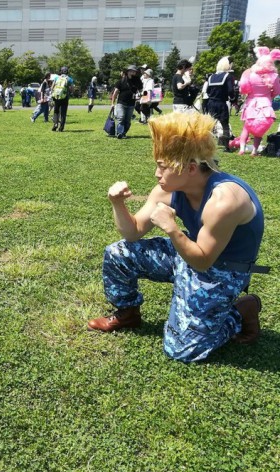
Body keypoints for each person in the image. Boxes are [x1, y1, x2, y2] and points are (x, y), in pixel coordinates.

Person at [88, 112, 266, 363]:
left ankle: (241, 311)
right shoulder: (168, 189)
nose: (156, 174)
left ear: (190, 168)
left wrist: (172, 229)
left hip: (222, 269)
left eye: (162, 166)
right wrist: (117, 204)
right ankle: (128, 314)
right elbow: (132, 232)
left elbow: (203, 262)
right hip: (190, 252)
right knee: (119, 253)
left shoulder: (224, 200)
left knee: (183, 350)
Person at [237, 47, 280, 156]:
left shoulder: (250, 74)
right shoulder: (274, 76)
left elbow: (244, 89)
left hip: (251, 102)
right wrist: (270, 94)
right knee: (259, 129)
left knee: (246, 127)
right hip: (265, 104)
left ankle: (242, 148)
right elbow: (277, 91)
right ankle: (254, 150)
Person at [206, 56, 235, 152]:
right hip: (221, 103)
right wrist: (233, 99)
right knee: (224, 124)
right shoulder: (227, 76)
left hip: (211, 103)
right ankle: (226, 146)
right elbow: (231, 90)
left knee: (210, 124)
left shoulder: (211, 77)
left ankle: (205, 144)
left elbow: (207, 90)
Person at [110, 65, 142, 139]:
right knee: (121, 117)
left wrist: (140, 95)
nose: (133, 72)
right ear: (127, 72)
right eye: (131, 71)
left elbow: (141, 91)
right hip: (121, 103)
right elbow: (115, 92)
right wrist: (112, 103)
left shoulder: (137, 81)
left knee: (127, 121)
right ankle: (119, 133)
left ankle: (123, 133)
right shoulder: (121, 81)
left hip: (131, 104)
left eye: (134, 71)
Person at [50, 66, 74, 132]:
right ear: (67, 71)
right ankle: (61, 127)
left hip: (57, 97)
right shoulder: (69, 79)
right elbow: (72, 89)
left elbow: (52, 87)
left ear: (61, 71)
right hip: (65, 97)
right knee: (63, 113)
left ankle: (55, 124)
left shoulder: (56, 78)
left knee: (56, 111)